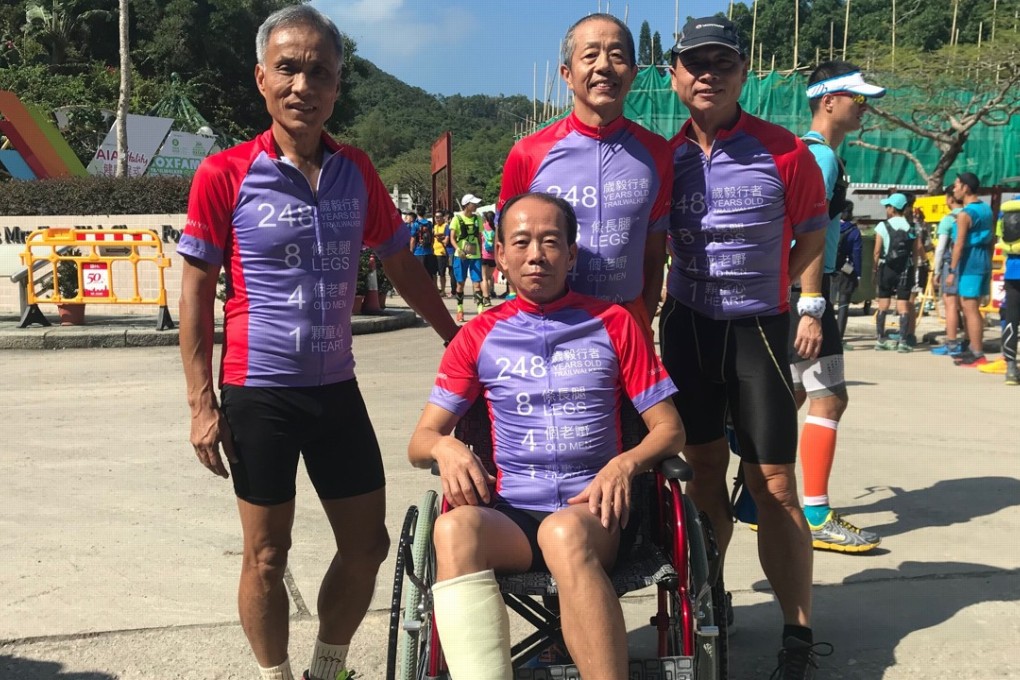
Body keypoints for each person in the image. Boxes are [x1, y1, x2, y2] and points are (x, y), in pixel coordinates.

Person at [176, 7, 458, 680]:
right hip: (258, 393)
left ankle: (326, 671)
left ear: (337, 87)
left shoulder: (355, 170)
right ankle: (275, 676)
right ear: (261, 78)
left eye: (320, 72)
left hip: (336, 388)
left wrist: (460, 339)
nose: (303, 85)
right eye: (288, 69)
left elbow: (401, 263)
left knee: (368, 546)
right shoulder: (225, 173)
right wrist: (200, 401)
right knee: (266, 556)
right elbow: (192, 291)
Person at [408, 192, 686, 680]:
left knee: (561, 532)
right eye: (521, 242)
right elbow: (421, 441)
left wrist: (624, 464)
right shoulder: (477, 336)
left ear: (572, 254)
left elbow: (670, 430)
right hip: (512, 516)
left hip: (593, 512)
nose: (536, 254)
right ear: (500, 255)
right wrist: (444, 446)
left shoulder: (615, 323)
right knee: (452, 529)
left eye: (551, 242)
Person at [661, 17, 830, 678]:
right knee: (701, 470)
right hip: (687, 324)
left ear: (743, 72)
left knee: (776, 485)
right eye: (694, 63)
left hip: (759, 326)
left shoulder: (786, 150)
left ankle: (797, 633)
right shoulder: (660, 154)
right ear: (674, 75)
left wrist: (798, 293)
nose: (708, 74)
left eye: (722, 63)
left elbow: (814, 231)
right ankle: (712, 595)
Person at [498, 13, 672, 333]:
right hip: (547, 331)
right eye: (590, 55)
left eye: (617, 55)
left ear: (633, 74)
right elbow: (507, 248)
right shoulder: (528, 154)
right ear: (567, 73)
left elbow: (654, 251)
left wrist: (642, 322)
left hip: (626, 334)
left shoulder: (657, 154)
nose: (604, 66)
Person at [790, 60, 885, 553]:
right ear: (829, 101)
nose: (865, 108)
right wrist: (810, 303)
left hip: (801, 289)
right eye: (859, 99)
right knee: (828, 397)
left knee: (796, 397)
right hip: (809, 289)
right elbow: (807, 232)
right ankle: (813, 512)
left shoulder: (814, 154)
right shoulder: (821, 157)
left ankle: (768, 500)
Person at [946, 172, 996, 367]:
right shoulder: (986, 209)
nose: (955, 188)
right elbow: (991, 238)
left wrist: (951, 271)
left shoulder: (965, 214)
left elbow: (958, 244)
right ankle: (972, 349)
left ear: (966, 187)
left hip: (969, 264)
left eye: (957, 184)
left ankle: (977, 352)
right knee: (971, 307)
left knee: (970, 308)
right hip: (982, 261)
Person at [872, 193, 922, 351]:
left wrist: (874, 269)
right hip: (905, 269)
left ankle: (880, 339)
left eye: (888, 206)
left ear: (893, 208)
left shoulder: (882, 226)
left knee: (883, 304)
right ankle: (902, 341)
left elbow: (877, 251)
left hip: (886, 268)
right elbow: (915, 251)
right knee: (903, 305)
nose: (886, 209)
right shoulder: (911, 227)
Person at [931, 188, 967, 356]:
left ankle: (951, 342)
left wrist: (936, 270)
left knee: (950, 303)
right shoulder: (971, 214)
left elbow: (940, 249)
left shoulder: (949, 219)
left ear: (951, 198)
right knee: (967, 304)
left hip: (950, 264)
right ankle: (968, 341)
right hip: (969, 263)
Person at [450, 194, 486, 322]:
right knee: (460, 283)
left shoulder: (478, 218)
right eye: (473, 204)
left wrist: (481, 253)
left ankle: (480, 310)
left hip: (475, 255)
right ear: (466, 205)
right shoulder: (457, 218)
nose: (475, 205)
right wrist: (458, 249)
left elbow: (480, 236)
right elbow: (452, 238)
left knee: (477, 283)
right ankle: (460, 310)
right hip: (461, 256)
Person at [831, 202, 863, 344]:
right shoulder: (854, 231)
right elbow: (857, 253)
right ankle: (839, 338)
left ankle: (826, 335)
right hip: (845, 270)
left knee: (827, 303)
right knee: (843, 303)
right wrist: (858, 273)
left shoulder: (831, 226)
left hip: (828, 268)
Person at [410, 210, 437, 284]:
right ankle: (431, 290)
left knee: (419, 273)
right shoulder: (429, 224)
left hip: (418, 252)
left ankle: (420, 290)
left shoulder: (416, 224)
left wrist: (411, 250)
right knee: (429, 273)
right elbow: (432, 237)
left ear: (417, 213)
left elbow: (413, 239)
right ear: (425, 213)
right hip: (429, 252)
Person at [433, 208, 452, 297]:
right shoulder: (435, 227)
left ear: (443, 218)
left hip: (442, 253)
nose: (437, 219)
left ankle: (443, 290)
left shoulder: (446, 226)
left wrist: (440, 238)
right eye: (436, 217)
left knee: (442, 273)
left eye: (439, 217)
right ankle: (436, 289)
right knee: (434, 273)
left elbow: (446, 240)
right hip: (434, 252)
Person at [480, 210, 497, 307]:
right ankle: (490, 292)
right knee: (490, 276)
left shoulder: (483, 227)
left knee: (484, 277)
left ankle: (486, 298)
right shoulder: (496, 228)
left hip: (484, 255)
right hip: (493, 257)